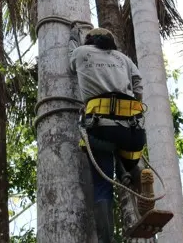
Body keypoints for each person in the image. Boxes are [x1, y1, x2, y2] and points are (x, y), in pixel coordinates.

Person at [70, 26, 146, 243]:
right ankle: (142, 190)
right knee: (130, 161)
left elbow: (70, 61)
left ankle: (107, 239)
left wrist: (73, 38)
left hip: (100, 129)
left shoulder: (81, 53)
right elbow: (139, 86)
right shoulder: (123, 59)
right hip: (132, 131)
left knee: (103, 185)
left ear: (90, 40)